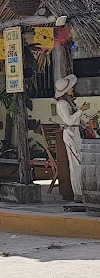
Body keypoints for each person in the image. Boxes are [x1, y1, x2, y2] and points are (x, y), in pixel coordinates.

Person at [55, 74, 89, 202]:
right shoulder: (62, 104)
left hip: (75, 132)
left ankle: (82, 191)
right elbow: (69, 121)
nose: (72, 89)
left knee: (80, 162)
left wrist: (86, 126)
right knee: (76, 163)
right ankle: (79, 193)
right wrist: (81, 110)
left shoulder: (68, 102)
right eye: (70, 88)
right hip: (70, 133)